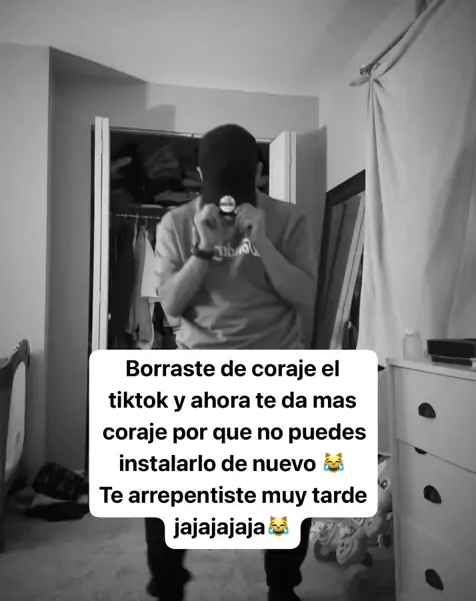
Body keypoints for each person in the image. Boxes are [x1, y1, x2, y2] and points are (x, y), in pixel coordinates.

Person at [147, 123, 317, 601]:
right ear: (200, 176)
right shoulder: (175, 223)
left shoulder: (289, 219)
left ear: (260, 173)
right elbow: (171, 305)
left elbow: (306, 294)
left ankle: (282, 587)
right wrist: (203, 251)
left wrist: (263, 243)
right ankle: (167, 586)